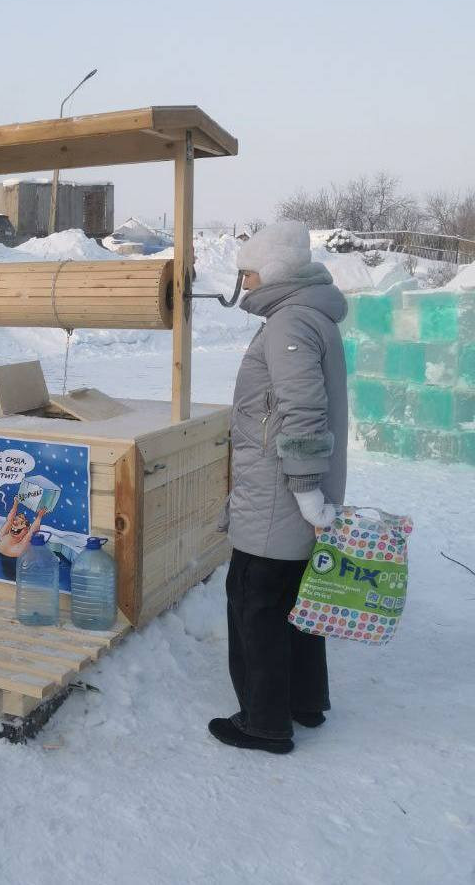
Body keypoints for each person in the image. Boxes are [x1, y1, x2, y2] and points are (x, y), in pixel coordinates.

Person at [211, 221, 348, 755]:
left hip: (276, 497)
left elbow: (303, 413)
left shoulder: (290, 321)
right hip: (286, 494)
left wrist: (306, 487)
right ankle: (304, 702)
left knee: (256, 603)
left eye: (247, 271)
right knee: (297, 604)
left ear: (273, 271)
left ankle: (264, 722)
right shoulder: (308, 314)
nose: (243, 282)